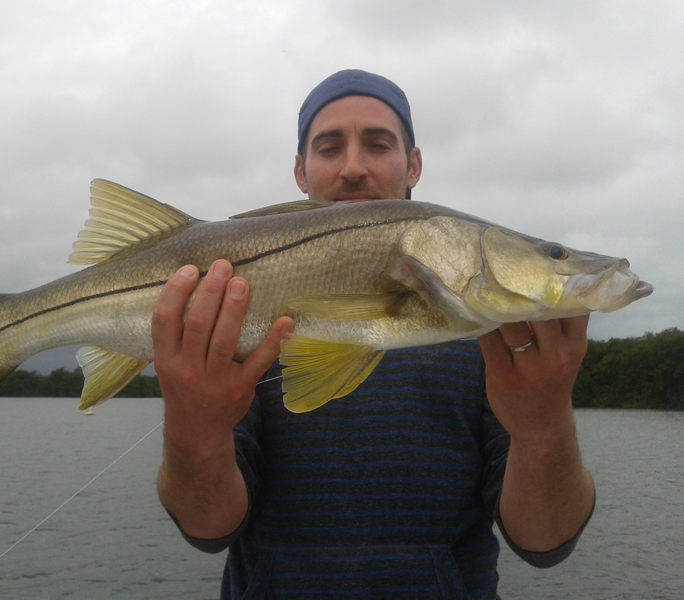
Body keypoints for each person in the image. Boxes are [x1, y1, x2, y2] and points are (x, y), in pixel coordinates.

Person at [153, 70, 595, 598]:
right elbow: (208, 528)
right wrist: (192, 427)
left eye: (379, 144)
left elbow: (545, 541)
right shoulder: (234, 319)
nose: (354, 167)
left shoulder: (499, 342)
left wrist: (543, 427)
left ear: (413, 165)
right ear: (301, 171)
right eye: (329, 147)